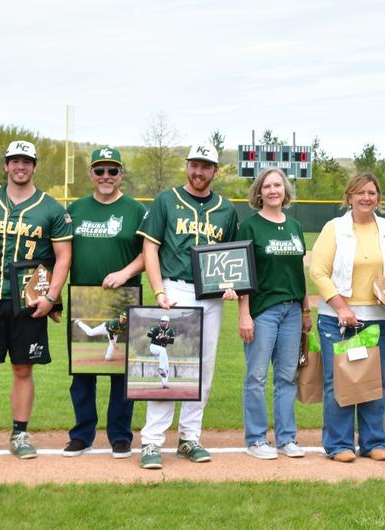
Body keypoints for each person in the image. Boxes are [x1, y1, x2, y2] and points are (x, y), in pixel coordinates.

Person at [0, 141, 73, 462]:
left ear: (34, 166)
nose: (20, 166)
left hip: (29, 303)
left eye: (26, 161)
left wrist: (50, 297)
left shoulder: (51, 208)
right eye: (14, 161)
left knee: (23, 368)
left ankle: (20, 432)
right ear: (6, 165)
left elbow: (63, 257)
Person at [135, 141, 239, 470]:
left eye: (205, 166)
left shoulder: (226, 209)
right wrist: (158, 290)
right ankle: (152, 441)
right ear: (187, 165)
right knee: (168, 367)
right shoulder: (166, 200)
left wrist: (231, 285)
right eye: (194, 164)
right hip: (175, 290)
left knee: (203, 369)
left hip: (211, 296)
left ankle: (189, 437)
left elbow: (232, 258)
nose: (198, 171)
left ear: (215, 170)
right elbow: (150, 248)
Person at [63, 146, 146, 459]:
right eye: (100, 170)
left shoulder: (136, 210)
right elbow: (61, 253)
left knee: (121, 372)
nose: (106, 176)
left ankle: (120, 436)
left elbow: (149, 253)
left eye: (113, 170)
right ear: (91, 174)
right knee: (82, 371)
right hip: (83, 297)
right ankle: (82, 435)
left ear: (121, 174)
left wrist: (125, 273)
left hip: (123, 298)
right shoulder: (76, 209)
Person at [309, 173, 385, 463]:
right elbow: (318, 272)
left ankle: (373, 442)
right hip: (338, 318)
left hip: (380, 318)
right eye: (360, 192)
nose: (366, 198)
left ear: (378, 197)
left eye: (371, 192)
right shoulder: (334, 228)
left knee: (377, 381)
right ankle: (338, 445)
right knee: (339, 381)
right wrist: (341, 308)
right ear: (349, 197)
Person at [235, 167, 312, 460]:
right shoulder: (250, 227)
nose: (273, 190)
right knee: (256, 376)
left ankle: (286, 438)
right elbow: (243, 274)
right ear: (259, 192)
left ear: (285, 190)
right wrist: (244, 314)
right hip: (263, 310)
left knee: (287, 377)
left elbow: (300, 272)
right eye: (266, 186)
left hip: (292, 310)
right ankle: (256, 439)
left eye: (277, 185)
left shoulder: (294, 226)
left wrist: (306, 309)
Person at [148, 315, 175, 389]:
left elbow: (172, 341)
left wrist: (166, 339)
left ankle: (165, 384)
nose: (161, 322)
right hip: (154, 347)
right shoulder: (157, 328)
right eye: (161, 321)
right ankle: (160, 368)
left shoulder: (171, 331)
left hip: (162, 350)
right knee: (163, 350)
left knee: (167, 365)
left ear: (167, 322)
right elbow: (149, 334)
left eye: (163, 321)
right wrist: (157, 337)